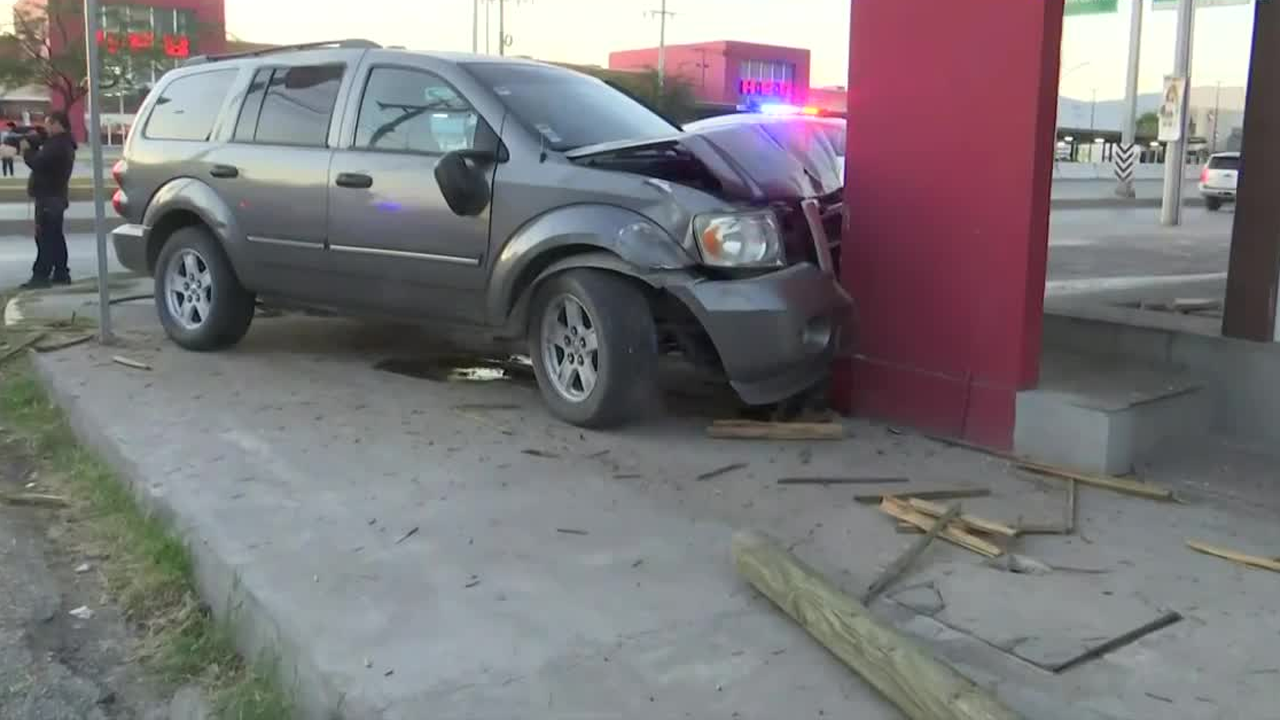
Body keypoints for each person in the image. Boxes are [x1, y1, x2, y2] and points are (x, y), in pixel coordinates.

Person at [20, 113, 76, 289]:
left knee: (45, 238)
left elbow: (38, 163)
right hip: (55, 196)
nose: (46, 129)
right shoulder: (62, 143)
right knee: (55, 236)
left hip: (49, 197)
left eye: (48, 125)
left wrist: (26, 151)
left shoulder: (57, 145)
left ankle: (41, 276)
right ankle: (61, 272)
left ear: (57, 124)